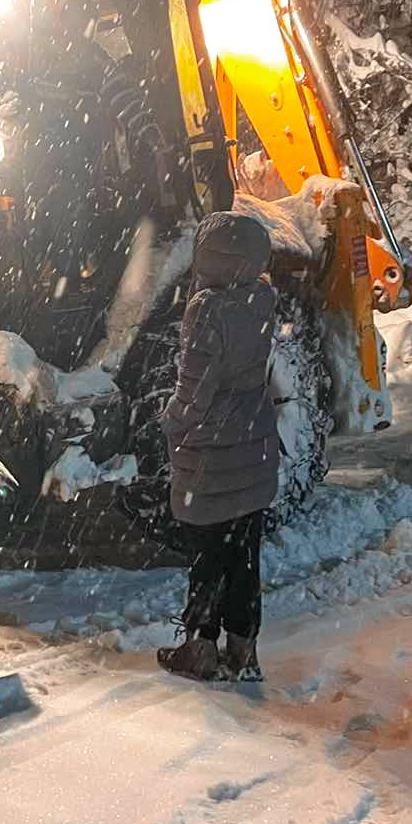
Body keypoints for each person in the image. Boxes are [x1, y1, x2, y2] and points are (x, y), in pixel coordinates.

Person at [157, 211, 280, 683]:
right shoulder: (262, 297)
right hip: (254, 441)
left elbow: (196, 390)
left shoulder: (206, 309)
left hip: (212, 449)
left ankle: (200, 650)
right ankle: (244, 651)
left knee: (206, 556)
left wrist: (169, 423)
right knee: (245, 556)